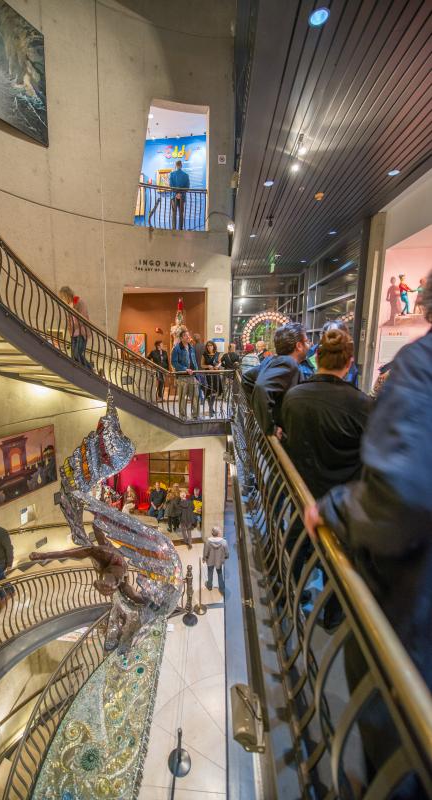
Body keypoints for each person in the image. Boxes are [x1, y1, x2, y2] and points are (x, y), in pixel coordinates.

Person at [305, 271, 432, 791]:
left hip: (413, 611)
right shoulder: (364, 402)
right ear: (350, 361)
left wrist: (335, 508)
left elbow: (398, 496)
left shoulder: (420, 370)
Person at [282, 329, 372, 629]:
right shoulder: (362, 405)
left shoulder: (295, 397)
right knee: (341, 564)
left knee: (294, 550)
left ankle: (287, 597)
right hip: (340, 502)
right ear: (349, 364)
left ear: (316, 357)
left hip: (299, 494)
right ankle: (333, 618)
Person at [252, 322, 309, 436]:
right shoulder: (288, 363)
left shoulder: (272, 360)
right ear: (299, 346)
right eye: (307, 341)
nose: (309, 344)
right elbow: (261, 387)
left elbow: (247, 378)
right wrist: (269, 427)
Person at [59, 285, 93, 370]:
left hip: (81, 332)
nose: (62, 299)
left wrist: (74, 327)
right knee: (74, 356)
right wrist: (70, 330)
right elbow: (70, 319)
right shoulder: (69, 305)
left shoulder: (79, 302)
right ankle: (81, 371)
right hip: (74, 333)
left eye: (63, 297)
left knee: (77, 354)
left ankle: (90, 370)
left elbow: (84, 317)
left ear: (67, 295)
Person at [171, 328, 200, 419]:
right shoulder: (176, 348)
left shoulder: (191, 347)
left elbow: (194, 361)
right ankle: (182, 416)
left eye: (188, 335)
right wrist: (185, 369)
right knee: (182, 399)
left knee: (195, 397)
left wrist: (197, 374)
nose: (188, 337)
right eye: (185, 335)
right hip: (182, 377)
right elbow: (174, 362)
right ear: (181, 338)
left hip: (192, 376)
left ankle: (195, 416)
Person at [203, 526, 229, 594]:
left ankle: (209, 586)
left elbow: (205, 552)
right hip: (219, 561)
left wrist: (204, 558)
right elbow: (227, 553)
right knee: (220, 574)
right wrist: (225, 557)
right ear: (218, 533)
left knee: (210, 573)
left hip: (210, 561)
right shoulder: (224, 542)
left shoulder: (208, 541)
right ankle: (222, 589)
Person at [200, 340, 222, 416]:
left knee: (214, 392)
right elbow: (202, 365)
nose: (209, 347)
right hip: (208, 376)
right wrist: (208, 366)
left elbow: (220, 362)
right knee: (209, 392)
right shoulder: (204, 355)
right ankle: (210, 409)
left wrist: (217, 366)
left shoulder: (217, 354)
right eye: (208, 346)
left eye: (211, 345)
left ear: (213, 346)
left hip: (216, 375)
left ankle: (211, 408)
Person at [169, 159, 190, 230]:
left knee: (174, 213)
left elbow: (171, 185)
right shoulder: (186, 175)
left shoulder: (172, 174)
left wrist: (176, 193)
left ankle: (173, 228)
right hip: (182, 196)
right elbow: (187, 187)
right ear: (181, 165)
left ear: (176, 165)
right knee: (181, 213)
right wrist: (180, 193)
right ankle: (180, 229)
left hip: (173, 196)